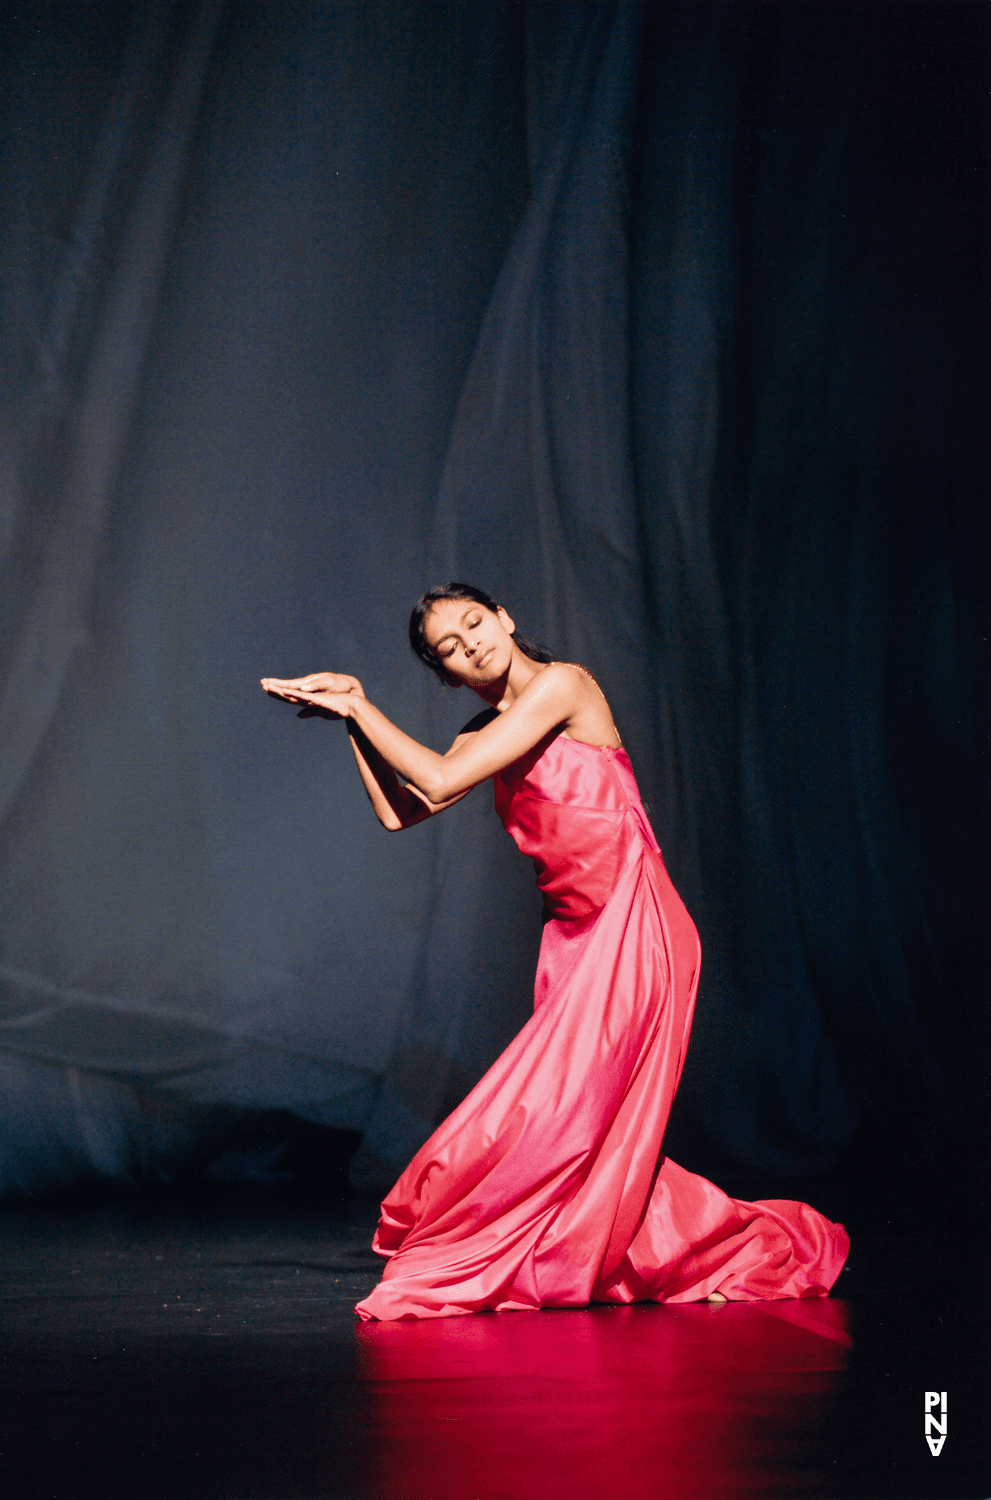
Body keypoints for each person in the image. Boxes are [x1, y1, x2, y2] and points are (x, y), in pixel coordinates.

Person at [261, 583, 849, 1321]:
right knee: (585, 1128)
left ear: (504, 619)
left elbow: (437, 778)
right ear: (446, 675)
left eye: (474, 623)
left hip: (635, 928)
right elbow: (403, 808)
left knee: (560, 1118)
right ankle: (687, 1247)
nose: (469, 642)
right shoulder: (483, 732)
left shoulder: (563, 686)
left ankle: (598, 1252)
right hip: (572, 940)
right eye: (449, 646)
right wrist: (351, 717)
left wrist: (360, 706)